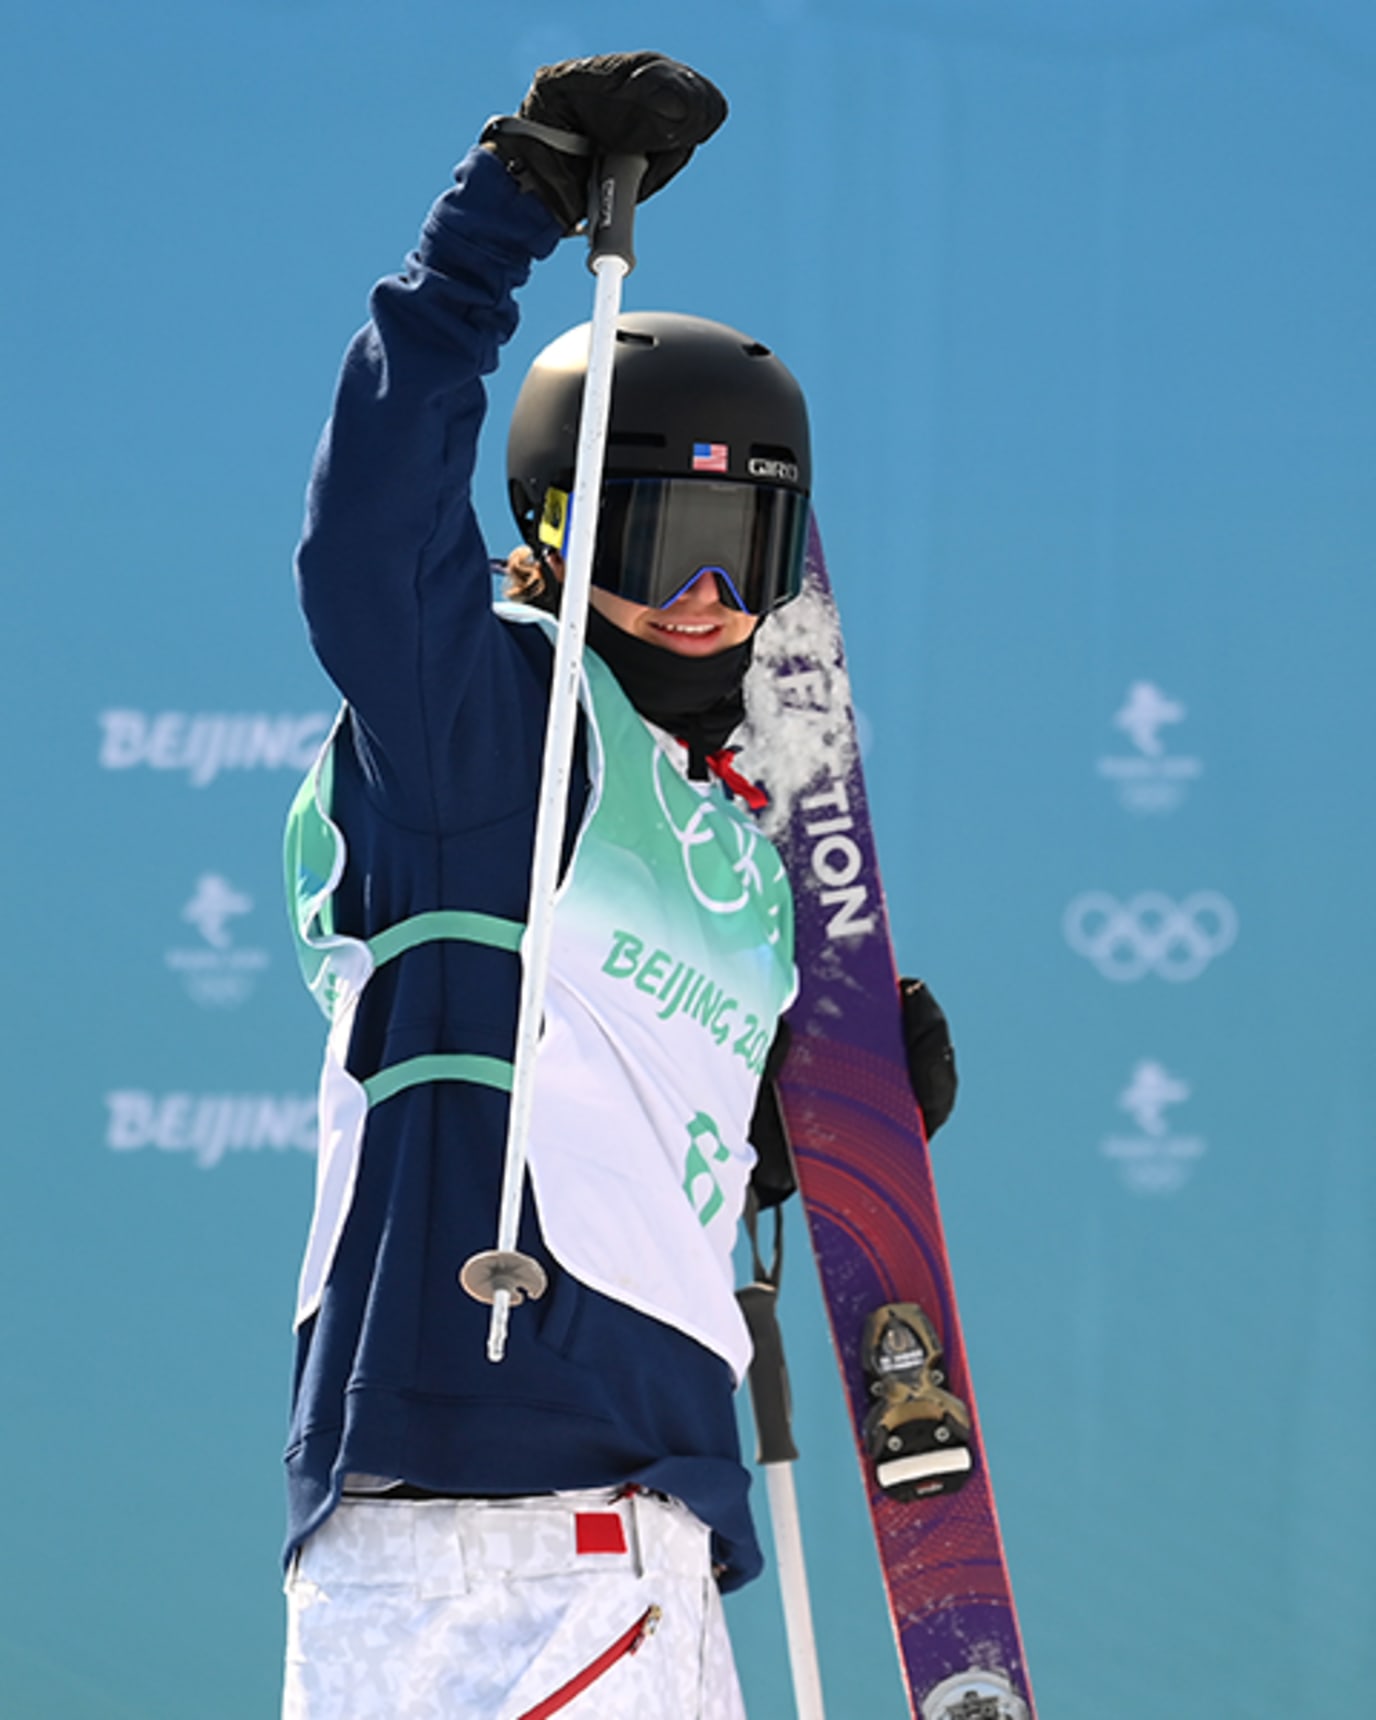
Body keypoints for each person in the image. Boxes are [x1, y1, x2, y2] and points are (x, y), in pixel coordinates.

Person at [280, 53, 954, 1720]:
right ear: (556, 527)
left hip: (653, 1523)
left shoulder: (730, 840)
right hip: (497, 1521)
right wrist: (501, 220)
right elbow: (371, 536)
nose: (713, 600)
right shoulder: (496, 729)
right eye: (658, 544)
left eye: (755, 551)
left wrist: (807, 1112)